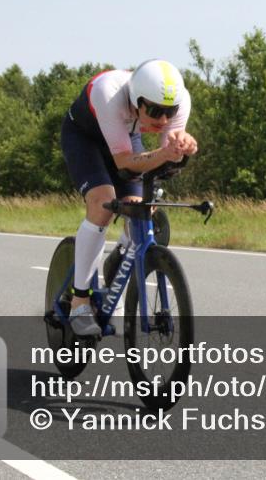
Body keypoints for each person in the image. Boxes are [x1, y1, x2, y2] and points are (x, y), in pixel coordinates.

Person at [60, 60, 198, 336]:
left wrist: (183, 148)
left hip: (125, 136)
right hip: (85, 138)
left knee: (140, 209)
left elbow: (166, 156)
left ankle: (118, 258)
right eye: (156, 111)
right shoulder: (108, 92)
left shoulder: (181, 102)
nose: (162, 120)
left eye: (168, 113)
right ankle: (79, 301)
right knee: (103, 203)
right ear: (136, 101)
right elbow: (125, 163)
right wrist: (164, 154)